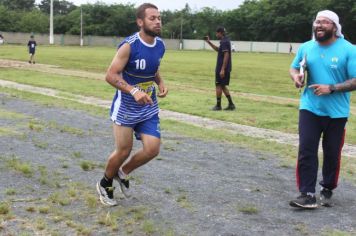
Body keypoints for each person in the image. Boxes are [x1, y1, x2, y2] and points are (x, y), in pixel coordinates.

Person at [96, 3, 168, 206]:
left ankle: (123, 172)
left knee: (152, 149)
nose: (157, 22)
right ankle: (105, 183)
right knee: (123, 151)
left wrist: (160, 82)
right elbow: (110, 75)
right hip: (126, 108)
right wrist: (133, 91)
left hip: (148, 107)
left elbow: (153, 70)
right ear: (140, 21)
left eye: (159, 18)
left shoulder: (161, 45)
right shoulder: (129, 46)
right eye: (152, 18)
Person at [289, 10, 356, 209]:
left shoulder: (349, 50)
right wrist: (296, 77)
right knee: (306, 149)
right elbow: (294, 67)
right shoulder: (307, 47)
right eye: (317, 22)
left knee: (332, 152)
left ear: (335, 27)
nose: (319, 25)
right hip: (309, 107)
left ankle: (327, 187)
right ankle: (307, 194)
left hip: (337, 112)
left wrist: (332, 88)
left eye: (325, 23)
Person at [204, 27, 235, 111]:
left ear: (220, 33)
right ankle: (231, 105)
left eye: (217, 33)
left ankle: (218, 106)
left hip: (222, 68)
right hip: (224, 68)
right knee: (222, 86)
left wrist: (222, 69)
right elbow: (218, 50)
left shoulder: (224, 42)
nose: (216, 34)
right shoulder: (225, 41)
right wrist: (209, 42)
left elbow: (226, 55)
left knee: (218, 85)